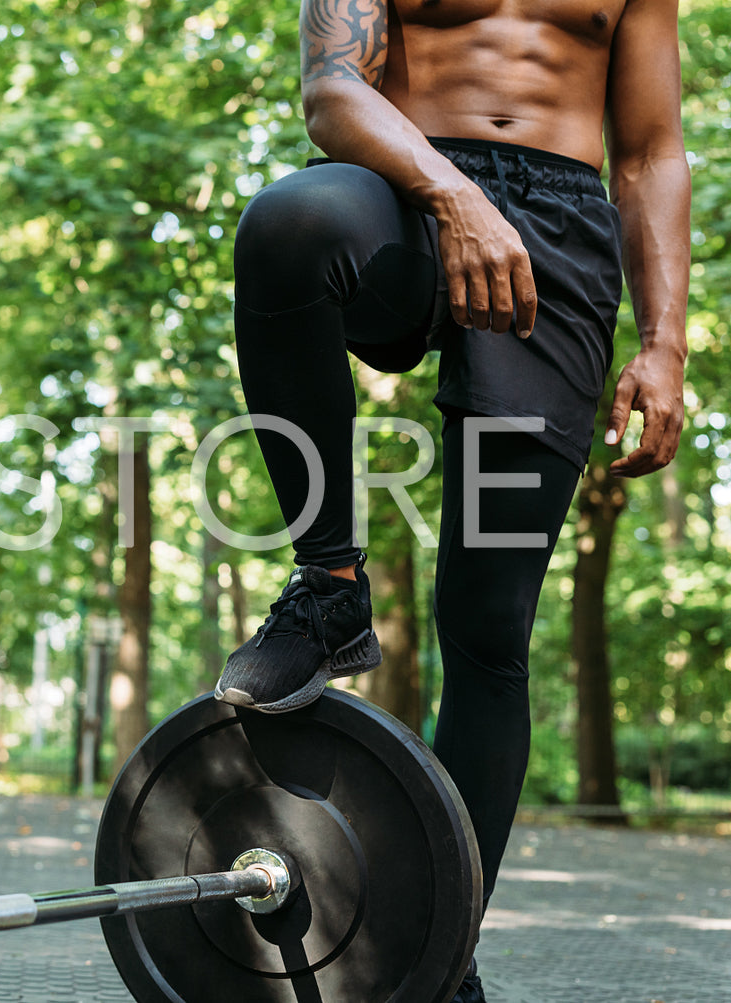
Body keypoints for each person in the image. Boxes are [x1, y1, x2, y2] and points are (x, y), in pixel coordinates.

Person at [212, 0, 689, 998]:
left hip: (558, 239)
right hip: (402, 194)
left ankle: (433, 952)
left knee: (484, 627)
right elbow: (331, 90)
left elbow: (646, 152)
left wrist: (661, 344)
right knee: (288, 223)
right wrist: (451, 195)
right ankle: (327, 584)